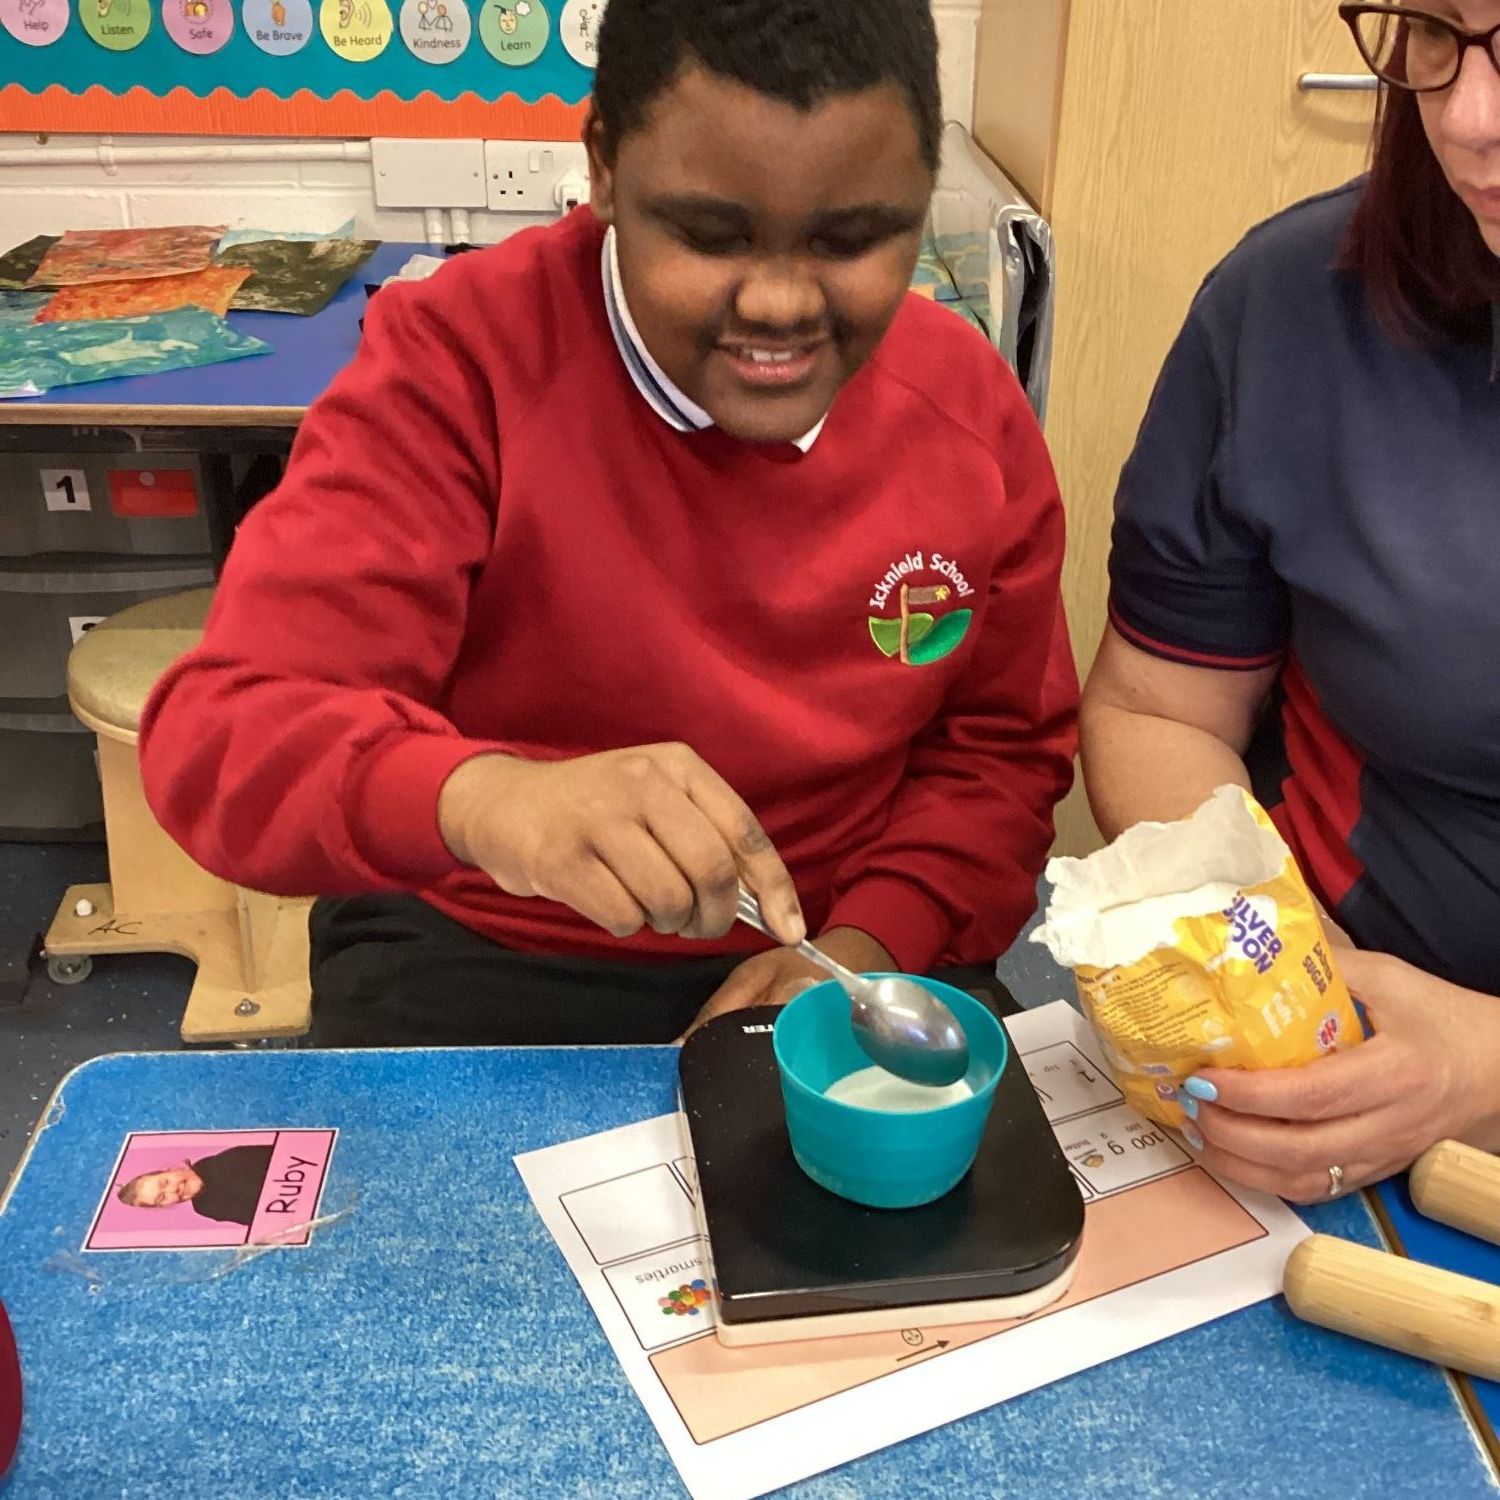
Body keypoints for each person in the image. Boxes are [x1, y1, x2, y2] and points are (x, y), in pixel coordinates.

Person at [139, 0, 1077, 1047]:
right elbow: (226, 739)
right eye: (709, 235)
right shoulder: (459, 366)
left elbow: (999, 756)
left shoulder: (966, 412)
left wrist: (876, 937)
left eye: (853, 239)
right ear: (604, 170)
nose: (779, 303)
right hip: (490, 942)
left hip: (843, 947)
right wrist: (487, 799)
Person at [1081, 0, 1500, 1203]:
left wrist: (1483, 1062)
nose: (1466, 119)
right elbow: (1158, 713)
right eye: (1433, 31)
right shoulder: (1289, 305)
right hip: (1341, 1087)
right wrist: (1285, 988)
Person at [116, 1145, 274, 1227]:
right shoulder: (206, 1208)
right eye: (163, 1197)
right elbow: (266, 1221)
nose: (173, 1189)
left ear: (172, 1169)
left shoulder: (232, 1160)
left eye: (165, 1182)